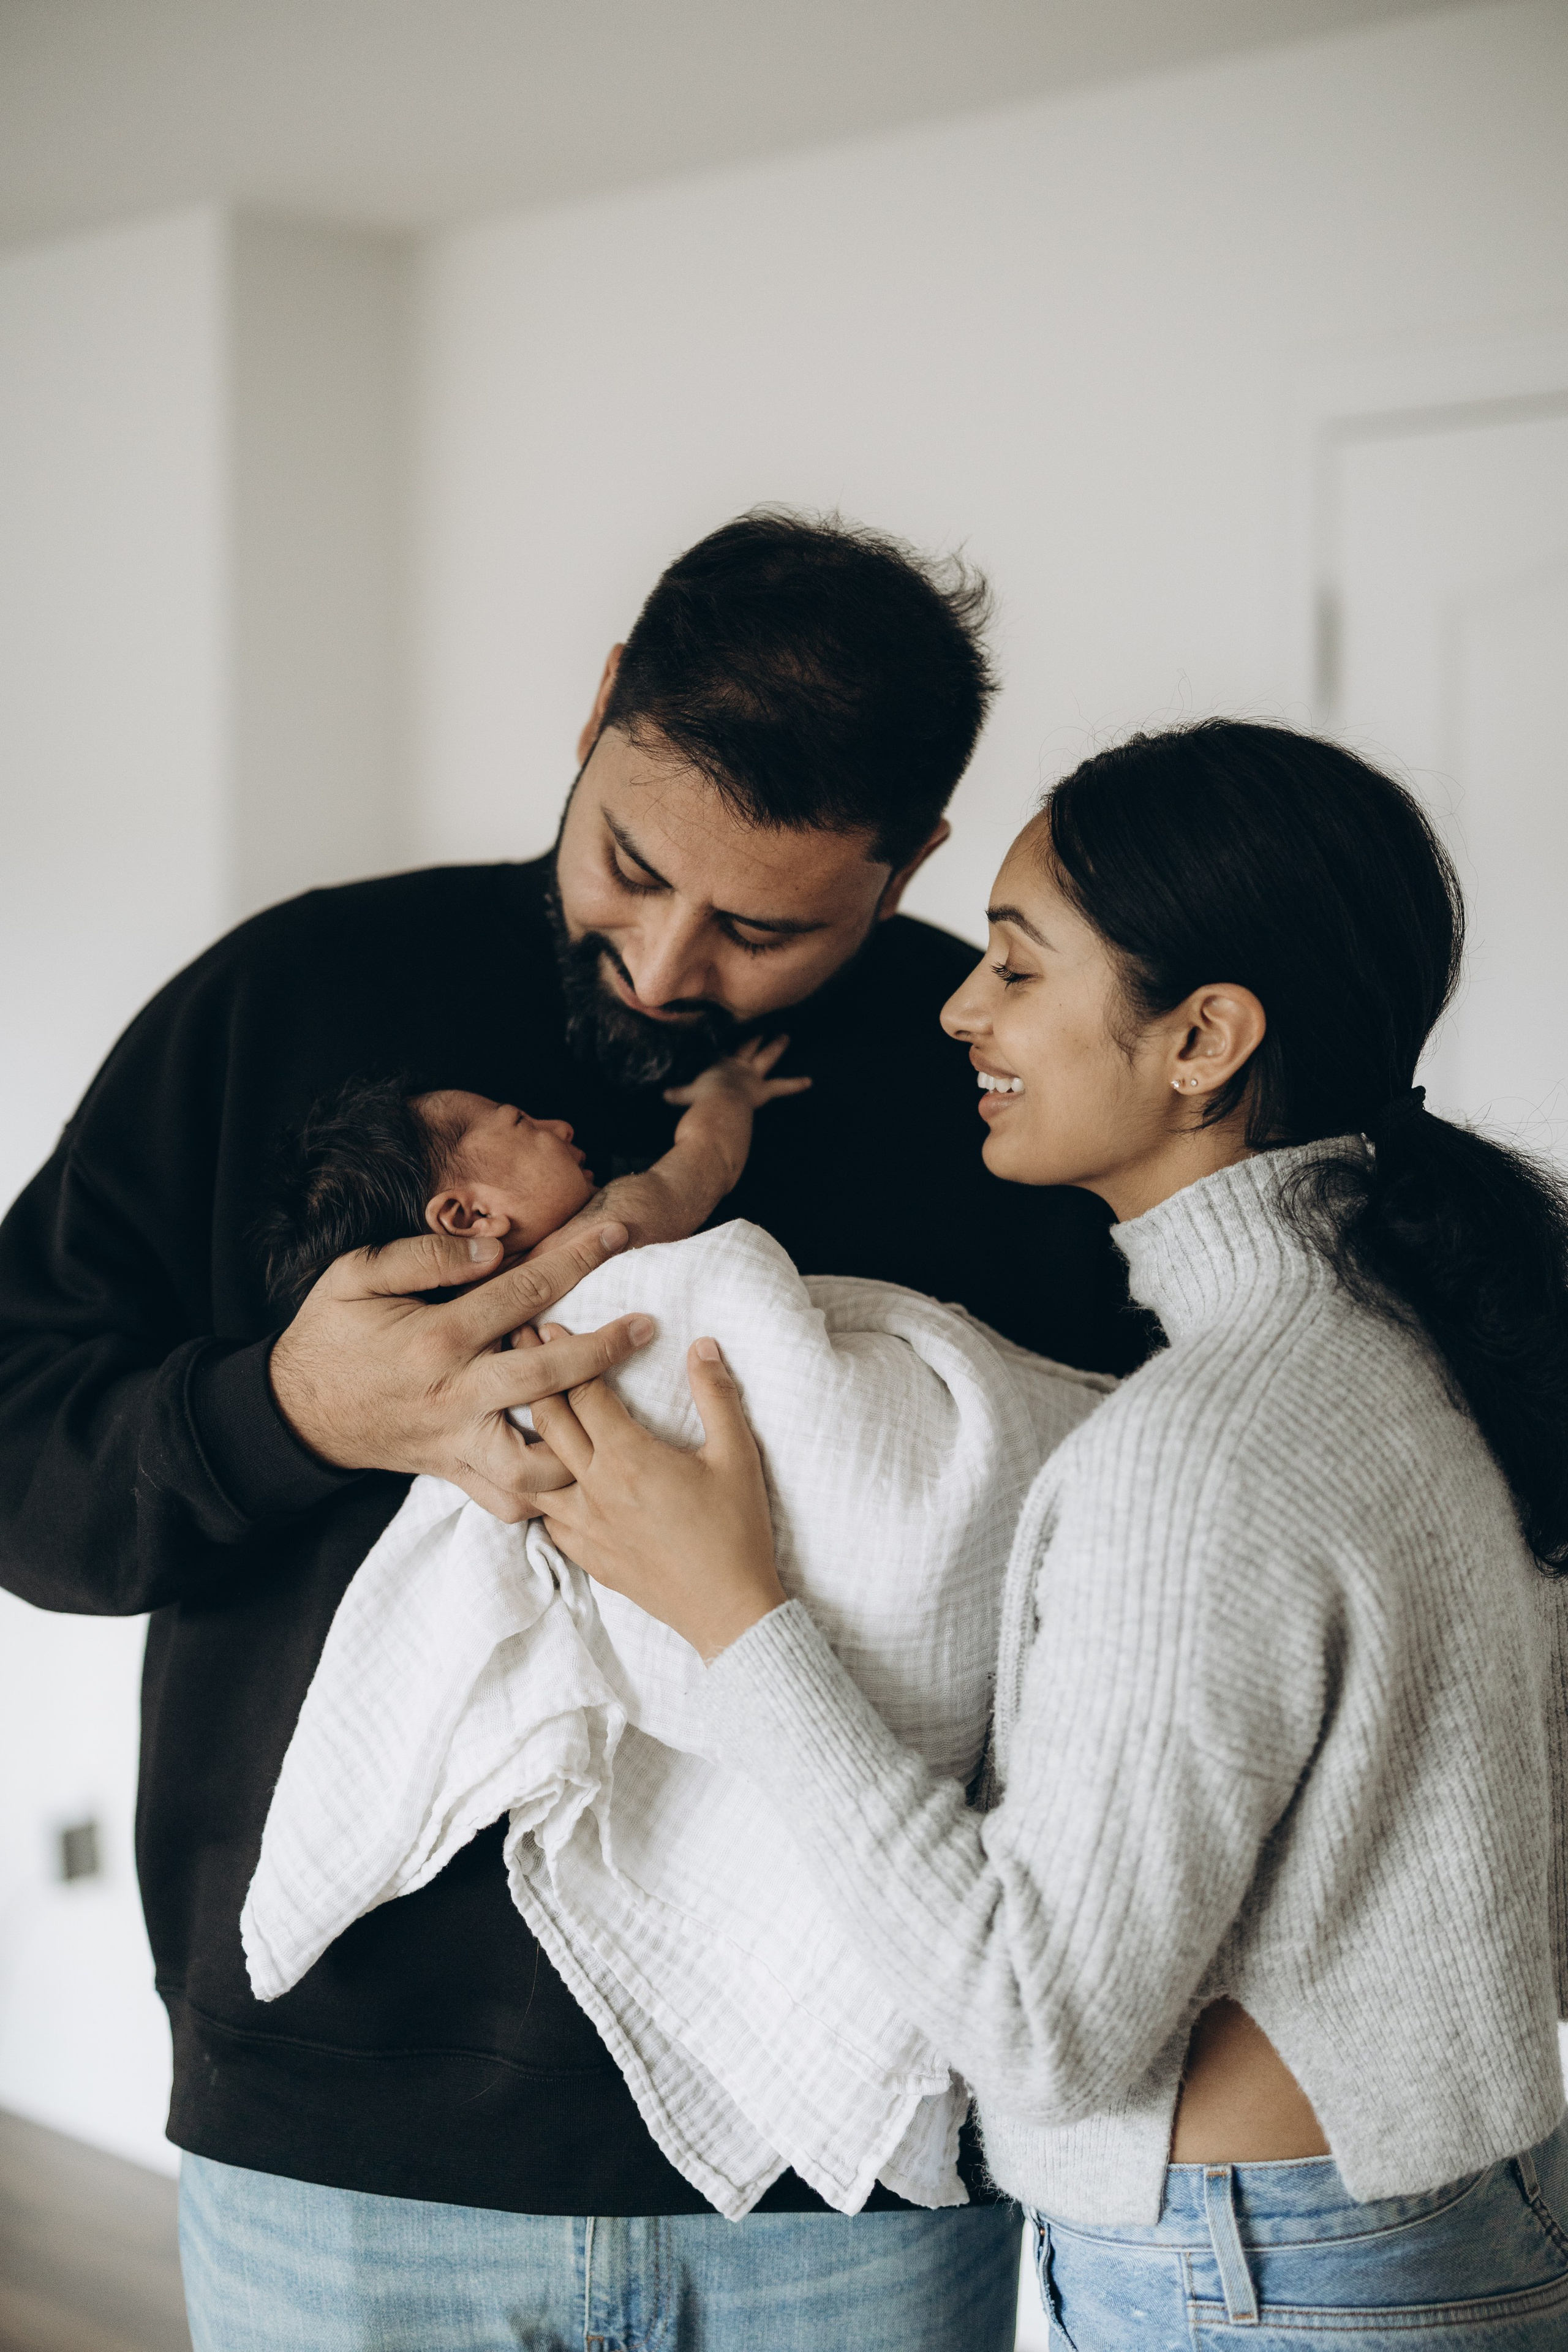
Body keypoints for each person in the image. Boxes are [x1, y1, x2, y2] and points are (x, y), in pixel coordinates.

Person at [0, 511, 1147, 2351]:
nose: (669, 966)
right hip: (342, 2143)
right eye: (627, 862)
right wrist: (288, 1410)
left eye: (764, 925)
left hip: (845, 2152)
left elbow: (1130, 1541)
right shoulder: (280, 1001)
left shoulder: (998, 1077)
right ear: (603, 700)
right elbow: (23, 1462)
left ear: (910, 857)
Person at [532, 718, 1568, 2346]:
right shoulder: (1427, 1334)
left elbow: (1040, 2024)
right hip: (1429, 2215)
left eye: (1015, 968)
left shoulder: (1204, 1447)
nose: (960, 1006)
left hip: (1258, 2272)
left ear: (1202, 1038)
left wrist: (734, 1616)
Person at [257, 1036, 809, 1312]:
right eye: (522, 1122)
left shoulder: (447, 1345)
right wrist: (728, 1089)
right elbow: (711, 1156)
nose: (562, 1127)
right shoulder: (608, 1229)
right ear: (471, 1215)